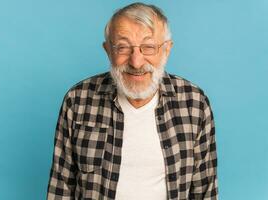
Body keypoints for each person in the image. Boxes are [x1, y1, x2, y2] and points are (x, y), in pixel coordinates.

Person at [47, 2, 218, 200]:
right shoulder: (78, 100)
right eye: (123, 47)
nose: (136, 62)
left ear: (166, 50)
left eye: (148, 47)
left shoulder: (194, 103)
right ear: (108, 50)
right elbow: (61, 187)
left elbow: (204, 191)